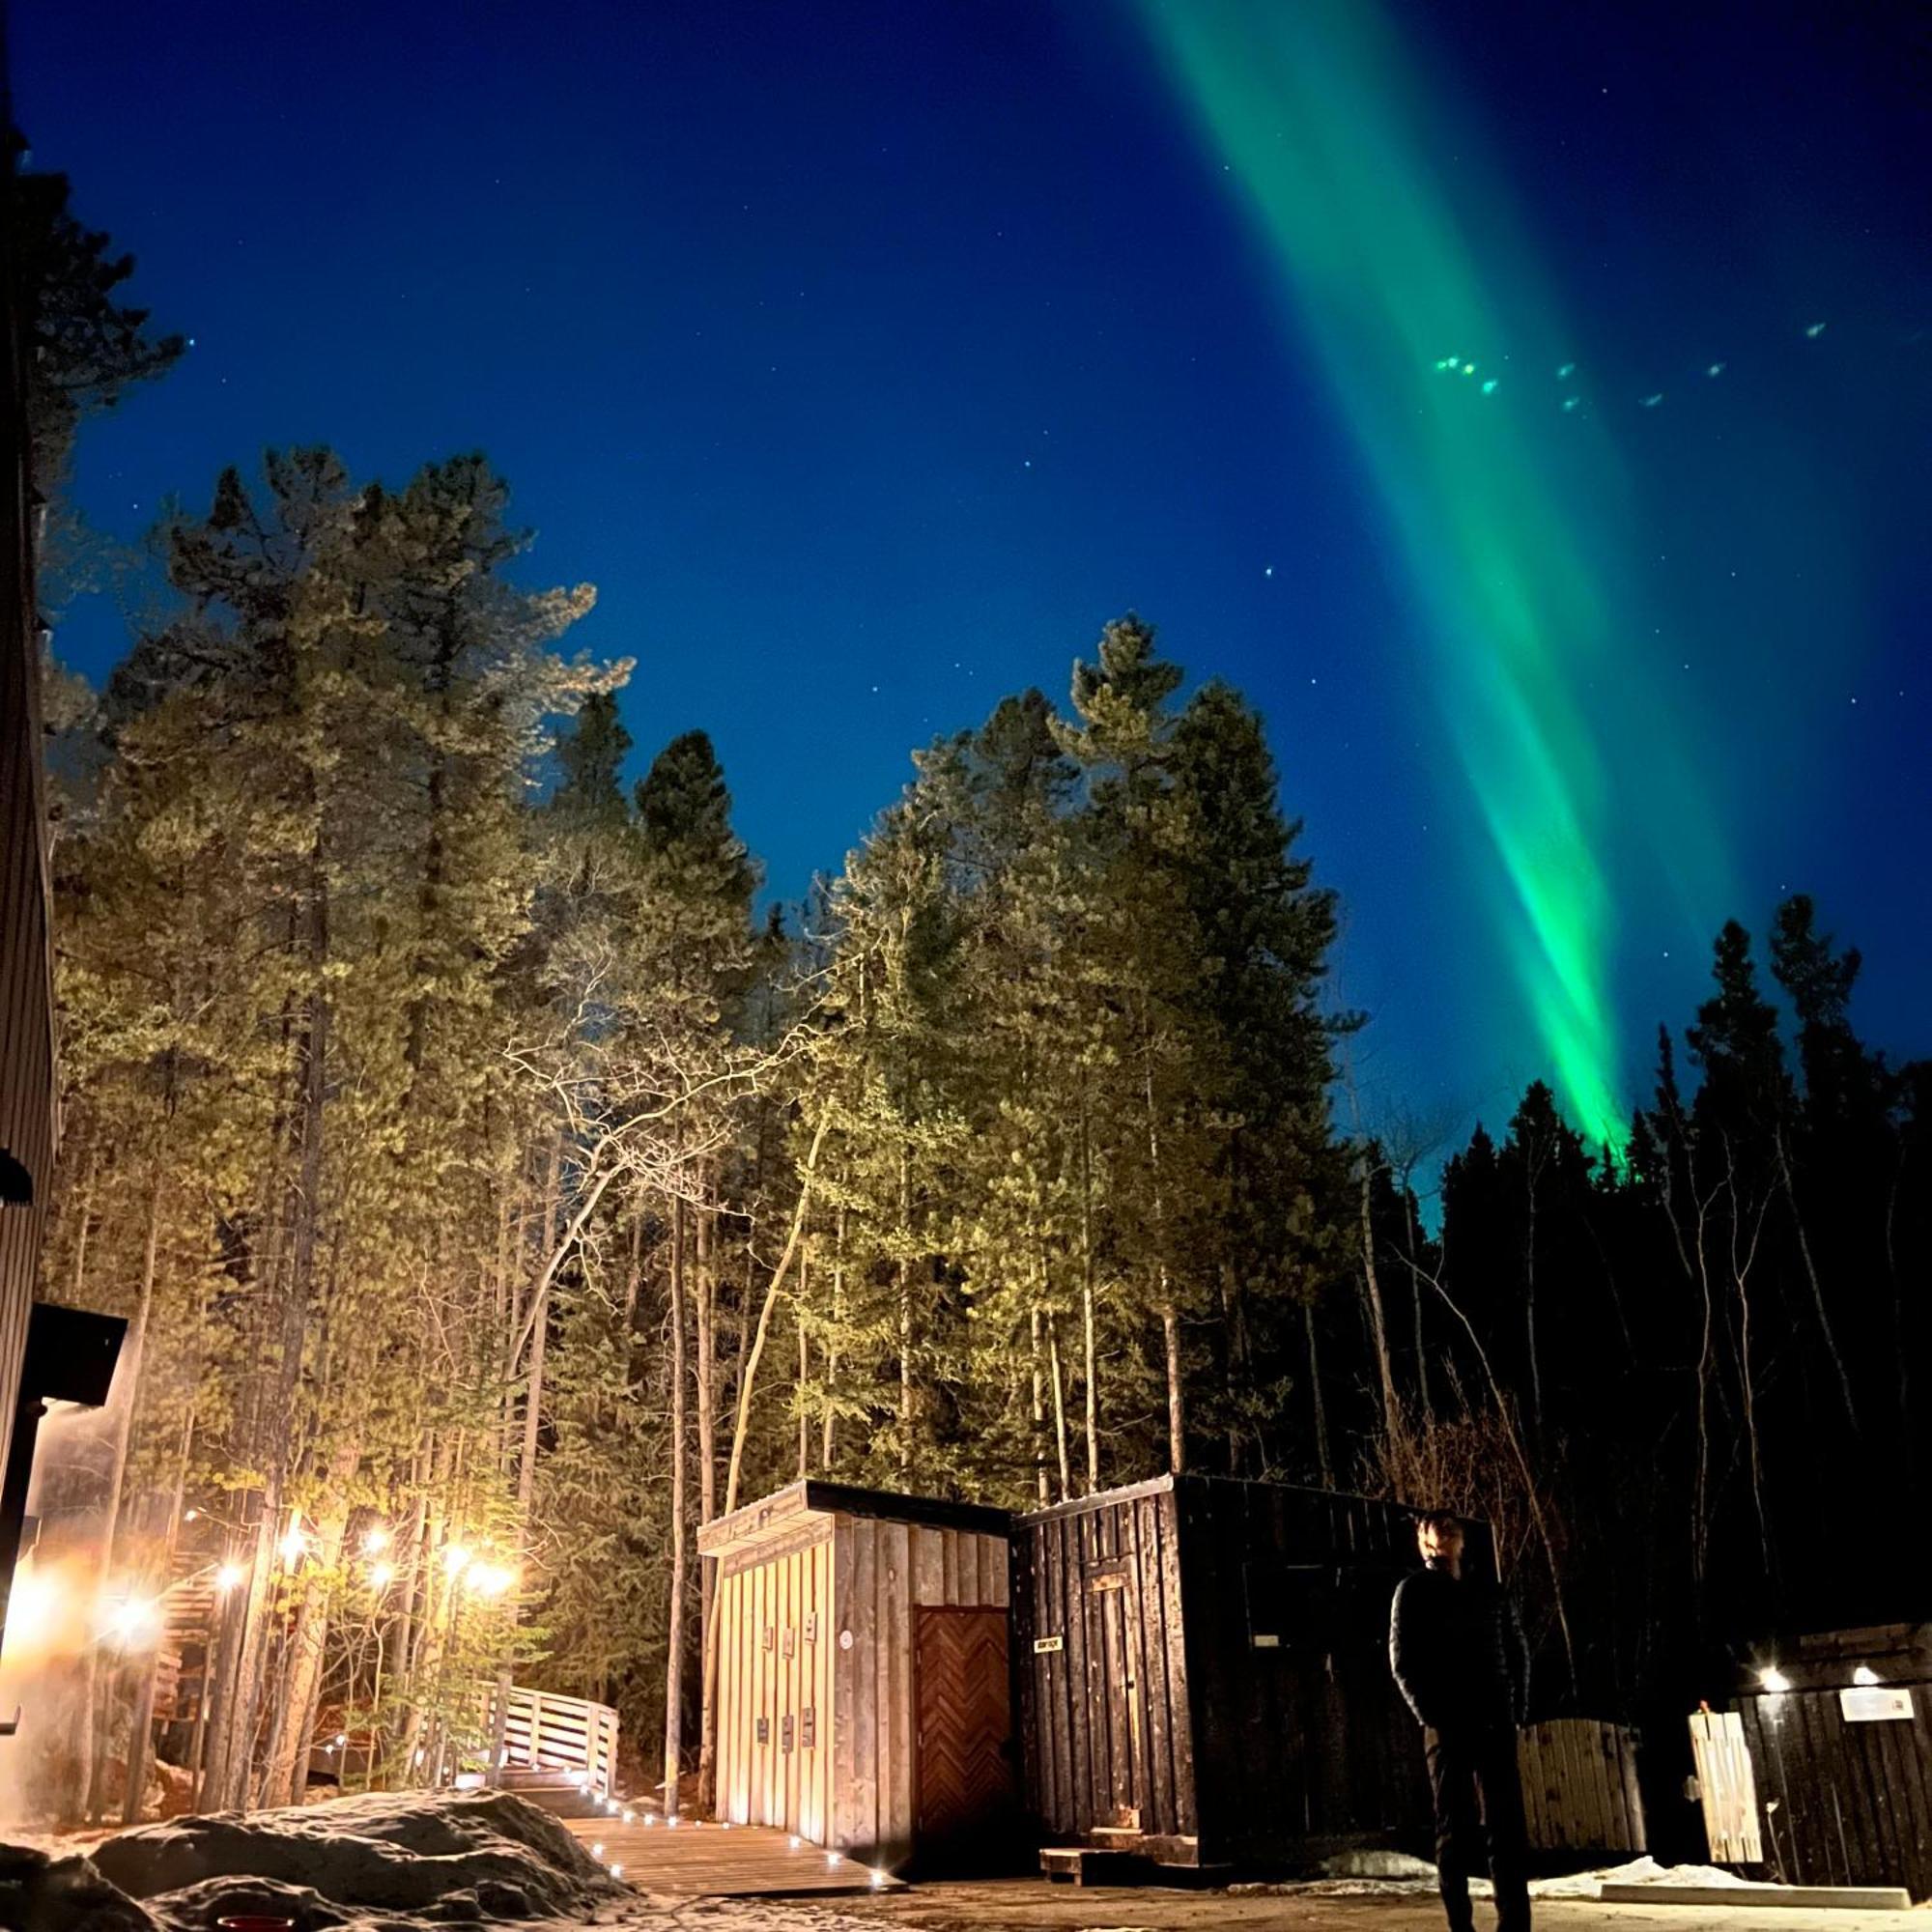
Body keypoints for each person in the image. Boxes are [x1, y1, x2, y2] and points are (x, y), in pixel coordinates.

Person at [1389, 1511, 1532, 1932]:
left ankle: (1515, 1923)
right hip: (1448, 1725)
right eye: (1438, 1527)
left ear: (1464, 1542)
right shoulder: (1413, 1591)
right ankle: (1461, 1927)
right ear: (1425, 1542)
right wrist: (1430, 1715)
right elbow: (1402, 1662)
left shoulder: (1490, 1590)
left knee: (1506, 1828)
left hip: (1495, 1723)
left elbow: (1517, 1649)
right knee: (1454, 1829)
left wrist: (1516, 1712)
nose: (1448, 1531)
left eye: (1454, 1527)